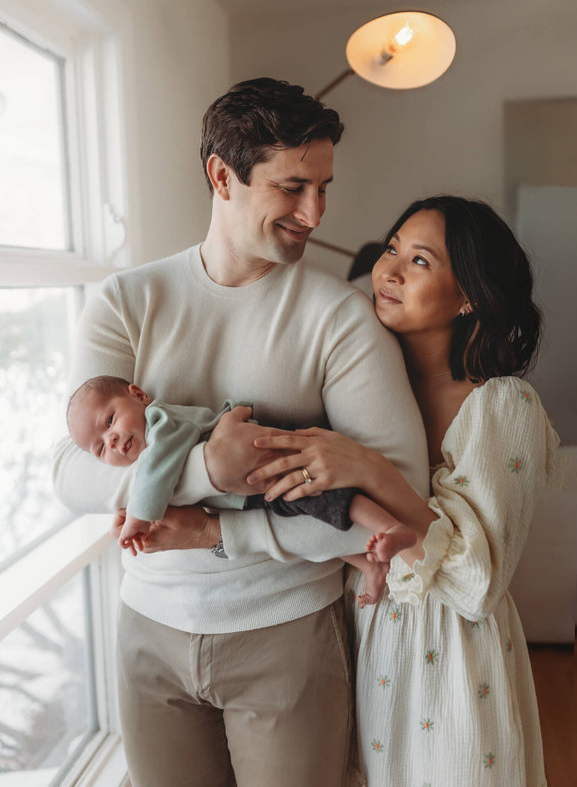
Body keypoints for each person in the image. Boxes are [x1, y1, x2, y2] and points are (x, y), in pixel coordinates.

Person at [53, 77, 429, 787]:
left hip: (285, 633)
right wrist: (206, 470)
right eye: (291, 187)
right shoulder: (126, 302)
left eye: (322, 187)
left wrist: (216, 530)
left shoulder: (338, 318)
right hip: (147, 630)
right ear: (221, 176)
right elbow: (70, 473)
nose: (314, 212)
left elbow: (398, 498)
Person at [241, 195, 553, 787]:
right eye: (391, 249)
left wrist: (370, 469)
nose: (388, 270)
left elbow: (478, 583)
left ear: (468, 296)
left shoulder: (502, 405)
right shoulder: (359, 389)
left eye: (419, 261)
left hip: (458, 659)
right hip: (364, 637)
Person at [66, 374, 416, 602]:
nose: (111, 440)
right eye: (100, 448)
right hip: (253, 493)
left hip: (265, 457)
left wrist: (139, 517)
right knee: (311, 520)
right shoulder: (144, 458)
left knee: (329, 497)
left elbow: (161, 464)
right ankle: (369, 565)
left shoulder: (161, 422)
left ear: (139, 395)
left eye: (110, 420)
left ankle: (392, 527)